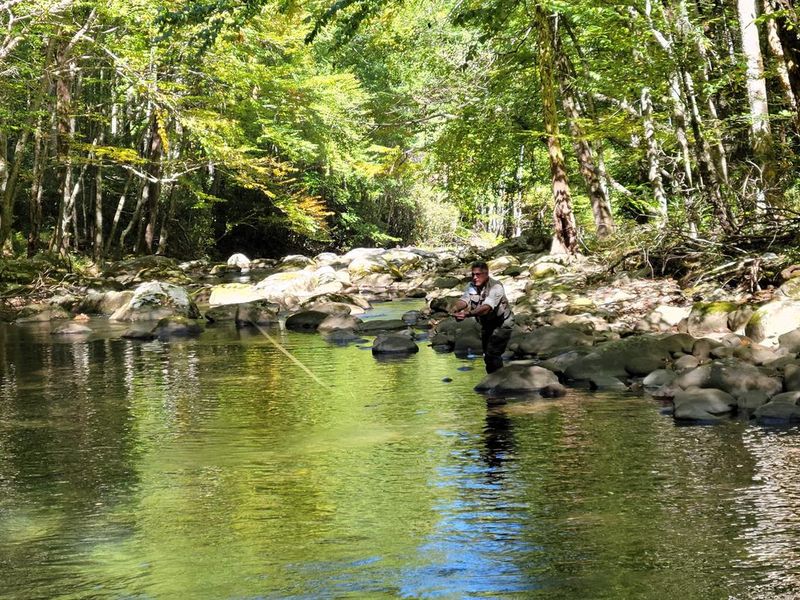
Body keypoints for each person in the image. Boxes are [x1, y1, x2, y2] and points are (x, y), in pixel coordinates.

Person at [449, 261, 514, 373]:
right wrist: (455, 309)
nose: (475, 277)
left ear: (486, 274)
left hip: (502, 323)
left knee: (493, 353)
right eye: (473, 274)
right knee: (486, 354)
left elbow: (486, 307)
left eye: (478, 274)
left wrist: (467, 314)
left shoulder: (496, 287)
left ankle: (497, 379)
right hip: (487, 324)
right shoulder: (471, 286)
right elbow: (464, 300)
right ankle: (493, 378)